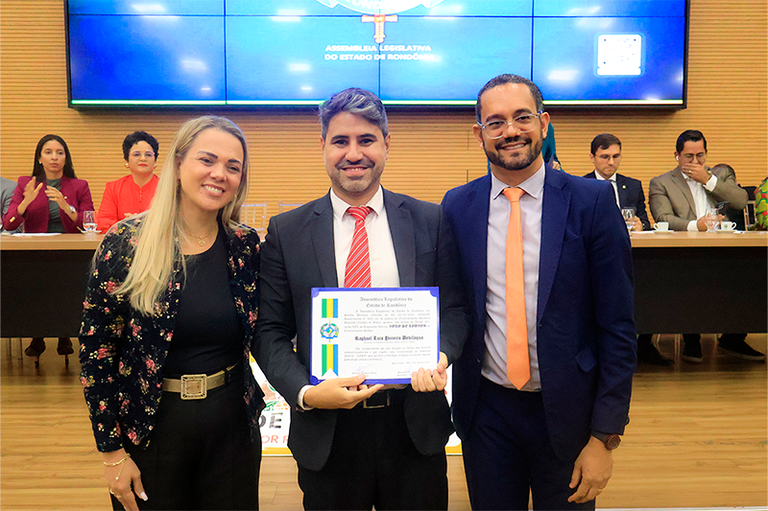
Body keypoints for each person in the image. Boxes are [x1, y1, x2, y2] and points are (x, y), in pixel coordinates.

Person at [256, 88, 470, 511]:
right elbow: (270, 332)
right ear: (323, 147)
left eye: (366, 140)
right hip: (327, 429)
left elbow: (456, 310)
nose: (354, 153)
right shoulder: (287, 231)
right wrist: (305, 392)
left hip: (413, 425)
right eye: (341, 141)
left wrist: (441, 356)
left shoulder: (431, 220)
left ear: (387, 145)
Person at [442, 74, 636, 509]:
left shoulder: (592, 202)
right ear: (480, 134)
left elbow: (618, 328)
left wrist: (605, 437)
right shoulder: (457, 206)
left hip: (569, 414)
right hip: (486, 413)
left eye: (522, 117)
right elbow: (453, 305)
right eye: (495, 122)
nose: (510, 130)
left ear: (544, 124)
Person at [79, 116, 264, 511]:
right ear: (178, 165)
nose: (220, 174)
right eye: (207, 160)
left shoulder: (244, 245)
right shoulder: (126, 243)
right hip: (150, 430)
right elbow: (96, 353)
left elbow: (270, 331)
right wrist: (111, 453)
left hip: (232, 429)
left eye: (233, 166)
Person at [649, 130, 763, 363]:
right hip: (683, 252)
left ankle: (733, 338)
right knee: (688, 278)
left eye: (700, 155)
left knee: (750, 276)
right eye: (688, 156)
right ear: (677, 156)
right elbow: (662, 217)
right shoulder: (661, 182)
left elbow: (741, 200)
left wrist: (708, 180)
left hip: (725, 249)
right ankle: (692, 339)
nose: (695, 162)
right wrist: (695, 225)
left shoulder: (720, 175)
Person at [3, 134, 94, 363]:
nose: (54, 157)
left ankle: (65, 334)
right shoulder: (26, 183)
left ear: (66, 158)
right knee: (35, 284)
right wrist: (25, 202)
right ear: (40, 157)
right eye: (48, 152)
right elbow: (8, 223)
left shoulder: (78, 185)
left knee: (68, 283)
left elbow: (89, 220)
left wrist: (67, 206)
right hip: (35, 249)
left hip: (70, 249)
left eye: (59, 152)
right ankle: (37, 335)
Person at [583, 134, 668, 365]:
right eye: (605, 156)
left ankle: (643, 345)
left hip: (630, 253)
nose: (611, 162)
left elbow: (646, 222)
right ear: (592, 158)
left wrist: (641, 225)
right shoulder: (581, 185)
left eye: (615, 156)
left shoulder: (632, 185)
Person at [97, 131, 160, 232]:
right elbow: (102, 221)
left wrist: (143, 224)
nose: (143, 158)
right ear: (126, 161)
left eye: (148, 155)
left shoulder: (168, 187)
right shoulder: (113, 188)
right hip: (122, 243)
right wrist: (126, 225)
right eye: (136, 154)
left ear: (155, 161)